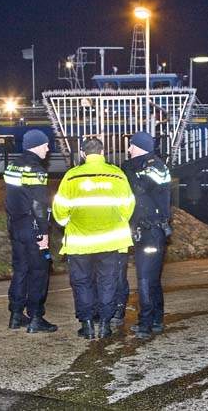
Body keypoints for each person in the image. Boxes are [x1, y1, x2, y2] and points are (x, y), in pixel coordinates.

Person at [52, 137, 135, 339]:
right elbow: (128, 206)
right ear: (103, 152)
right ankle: (105, 325)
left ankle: (87, 325)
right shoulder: (117, 175)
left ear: (82, 154)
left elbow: (60, 211)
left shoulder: (71, 177)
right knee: (108, 282)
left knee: (82, 283)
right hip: (111, 241)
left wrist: (69, 223)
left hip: (80, 243)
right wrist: (116, 221)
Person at [3, 129, 57, 333]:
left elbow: (9, 198)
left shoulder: (12, 166)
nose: (48, 149)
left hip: (15, 225)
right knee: (39, 271)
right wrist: (43, 233)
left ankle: (16, 314)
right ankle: (36, 316)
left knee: (20, 270)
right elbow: (39, 204)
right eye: (45, 145)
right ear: (36, 145)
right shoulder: (36, 169)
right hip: (32, 225)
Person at [122, 131, 172, 340]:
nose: (128, 149)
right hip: (149, 230)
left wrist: (127, 170)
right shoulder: (147, 165)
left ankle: (145, 323)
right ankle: (156, 320)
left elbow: (141, 189)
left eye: (131, 146)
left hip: (151, 231)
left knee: (144, 278)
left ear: (138, 146)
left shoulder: (154, 167)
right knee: (151, 279)